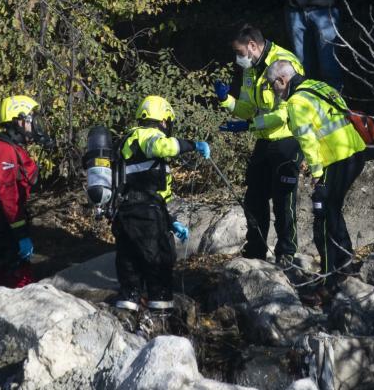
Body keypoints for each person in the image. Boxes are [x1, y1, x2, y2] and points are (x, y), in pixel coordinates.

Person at [265, 60, 366, 297]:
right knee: (333, 209)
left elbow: (308, 141)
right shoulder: (318, 86)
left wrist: (317, 175)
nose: (273, 91)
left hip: (335, 160)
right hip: (356, 152)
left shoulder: (296, 102)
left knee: (322, 217)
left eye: (272, 86)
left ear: (282, 80)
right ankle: (346, 263)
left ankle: (329, 281)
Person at [112, 95, 210, 314]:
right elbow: (163, 147)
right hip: (146, 216)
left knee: (130, 269)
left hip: (127, 214)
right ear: (164, 120)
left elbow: (145, 189)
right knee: (159, 265)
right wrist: (193, 145)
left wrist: (171, 221)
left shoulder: (128, 139)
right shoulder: (150, 136)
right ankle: (160, 319)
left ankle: (126, 316)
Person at [215, 25, 304, 264]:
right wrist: (226, 100)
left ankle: (286, 252)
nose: (238, 58)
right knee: (254, 197)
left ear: (253, 46)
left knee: (284, 199)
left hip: (287, 138)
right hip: (264, 138)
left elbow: (287, 113)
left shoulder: (285, 64)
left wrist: (250, 125)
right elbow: (247, 109)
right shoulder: (250, 70)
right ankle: (256, 249)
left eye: (240, 52)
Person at [0, 95, 52, 288]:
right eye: (30, 120)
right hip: (1, 227)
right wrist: (19, 232)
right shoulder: (3, 150)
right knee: (8, 279)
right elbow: (7, 192)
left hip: (5, 224)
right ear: (18, 120)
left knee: (16, 275)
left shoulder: (10, 148)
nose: (34, 125)